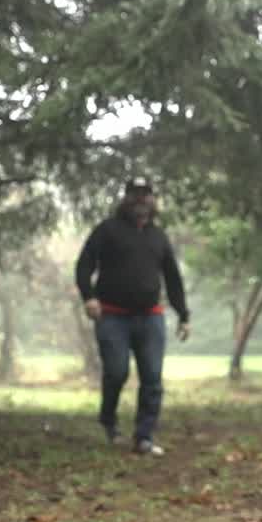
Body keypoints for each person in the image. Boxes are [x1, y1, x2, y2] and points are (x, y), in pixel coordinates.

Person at [75, 177, 190, 455]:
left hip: (150, 317)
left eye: (145, 195)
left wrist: (183, 315)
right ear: (125, 199)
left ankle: (144, 437)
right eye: (135, 195)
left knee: (152, 377)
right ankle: (109, 419)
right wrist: (89, 297)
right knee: (116, 371)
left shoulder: (158, 236)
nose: (140, 200)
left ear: (152, 200)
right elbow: (84, 265)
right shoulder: (107, 230)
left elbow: (172, 279)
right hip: (112, 316)